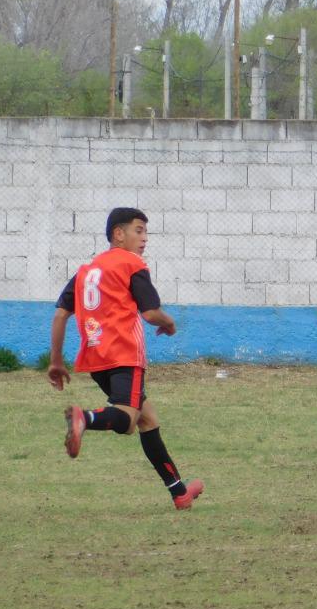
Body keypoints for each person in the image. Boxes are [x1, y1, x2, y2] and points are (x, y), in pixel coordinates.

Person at [47, 207, 203, 509]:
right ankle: (85, 419)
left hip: (96, 359)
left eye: (146, 232)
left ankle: (180, 493)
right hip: (124, 355)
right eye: (139, 230)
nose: (144, 239)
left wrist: (55, 360)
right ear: (118, 234)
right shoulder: (131, 263)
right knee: (125, 421)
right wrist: (169, 323)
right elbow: (150, 312)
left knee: (147, 420)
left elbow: (60, 315)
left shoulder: (86, 271)